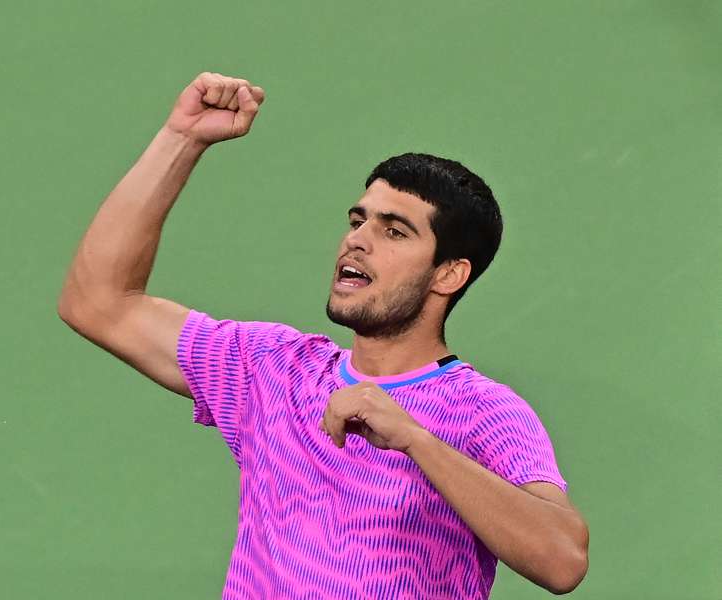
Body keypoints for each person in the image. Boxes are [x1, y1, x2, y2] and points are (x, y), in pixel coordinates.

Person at [57, 72, 589, 599]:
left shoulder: (483, 411)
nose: (357, 241)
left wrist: (414, 438)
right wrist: (182, 138)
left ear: (448, 273)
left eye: (394, 231)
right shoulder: (271, 367)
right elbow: (99, 302)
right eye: (358, 221)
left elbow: (562, 560)